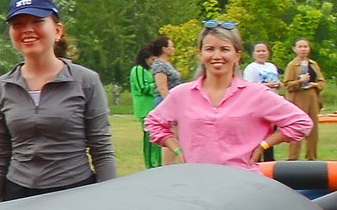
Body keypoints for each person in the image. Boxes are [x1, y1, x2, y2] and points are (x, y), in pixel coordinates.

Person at [0, 0, 117, 203]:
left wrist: (110, 201)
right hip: (19, 196)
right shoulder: (1, 87)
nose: (27, 30)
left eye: (37, 22)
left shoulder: (86, 81)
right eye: (18, 24)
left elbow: (101, 150)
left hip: (74, 192)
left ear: (57, 31)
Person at [146, 20, 313, 169]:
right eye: (210, 49)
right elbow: (153, 123)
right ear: (201, 54)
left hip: (243, 184)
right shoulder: (181, 94)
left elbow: (301, 123)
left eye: (225, 49)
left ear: (237, 55)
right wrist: (177, 148)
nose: (216, 56)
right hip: (196, 183)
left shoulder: (257, 94)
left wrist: (264, 145)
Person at [129, 39, 170, 170]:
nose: (153, 62)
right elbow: (142, 87)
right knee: (149, 138)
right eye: (152, 59)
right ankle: (150, 164)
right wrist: (159, 84)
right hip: (144, 108)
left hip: (154, 107)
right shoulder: (138, 69)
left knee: (159, 137)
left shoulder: (150, 71)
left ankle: (158, 162)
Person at [283, 37, 325, 158]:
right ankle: (293, 157)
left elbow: (322, 82)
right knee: (298, 127)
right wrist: (300, 81)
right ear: (294, 49)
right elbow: (287, 84)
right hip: (298, 98)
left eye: (305, 47)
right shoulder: (292, 65)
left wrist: (315, 85)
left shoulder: (313, 64)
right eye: (300, 47)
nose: (303, 49)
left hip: (313, 98)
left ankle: (311, 157)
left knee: (313, 128)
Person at [148, 40, 185, 162]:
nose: (173, 49)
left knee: (177, 135)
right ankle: (167, 165)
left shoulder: (168, 64)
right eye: (171, 46)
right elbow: (162, 88)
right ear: (164, 49)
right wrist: (172, 105)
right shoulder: (159, 65)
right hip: (166, 101)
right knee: (170, 136)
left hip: (174, 101)